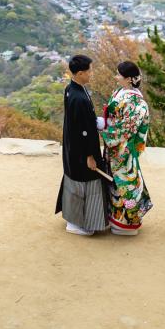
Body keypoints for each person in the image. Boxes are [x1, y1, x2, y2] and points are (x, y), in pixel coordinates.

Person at [55, 54, 108, 235]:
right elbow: (83, 131)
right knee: (83, 184)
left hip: (73, 146)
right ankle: (77, 224)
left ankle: (74, 219)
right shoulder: (79, 98)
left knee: (75, 180)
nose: (91, 73)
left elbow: (80, 123)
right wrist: (90, 156)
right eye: (89, 71)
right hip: (81, 150)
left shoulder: (72, 89)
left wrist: (94, 121)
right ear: (79, 73)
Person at [101, 59, 154, 235]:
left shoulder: (135, 101)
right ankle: (116, 218)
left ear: (129, 79)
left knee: (126, 184)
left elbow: (127, 128)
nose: (116, 77)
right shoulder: (120, 92)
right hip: (115, 147)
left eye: (119, 75)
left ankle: (129, 223)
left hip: (123, 149)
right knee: (114, 183)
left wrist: (105, 129)